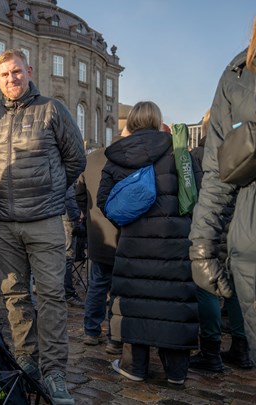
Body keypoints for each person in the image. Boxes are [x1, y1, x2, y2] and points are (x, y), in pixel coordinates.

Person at [0, 49, 86, 405]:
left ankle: (53, 371)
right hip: (4, 224)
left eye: (17, 72)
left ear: (28, 71)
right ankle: (26, 360)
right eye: (4, 74)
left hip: (45, 221)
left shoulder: (52, 110)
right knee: (15, 295)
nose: (12, 79)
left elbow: (76, 158)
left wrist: (51, 193)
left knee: (52, 296)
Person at [97, 101, 201, 385]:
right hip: (175, 243)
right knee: (173, 302)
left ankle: (135, 366)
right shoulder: (179, 152)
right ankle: (177, 371)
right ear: (157, 121)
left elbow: (103, 200)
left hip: (134, 243)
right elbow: (196, 194)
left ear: (130, 122)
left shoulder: (119, 154)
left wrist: (128, 220)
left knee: (136, 301)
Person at [189, 18, 256, 369]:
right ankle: (237, 346)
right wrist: (202, 244)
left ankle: (220, 348)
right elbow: (217, 174)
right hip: (245, 241)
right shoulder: (237, 72)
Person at [75, 133, 122, 354]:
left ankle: (91, 332)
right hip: (121, 232)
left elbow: (79, 193)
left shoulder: (91, 158)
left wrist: (87, 212)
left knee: (96, 284)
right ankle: (115, 338)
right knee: (118, 288)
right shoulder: (124, 157)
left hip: (97, 232)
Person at [63, 186, 84, 307]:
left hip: (60, 215)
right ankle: (68, 293)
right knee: (67, 257)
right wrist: (76, 214)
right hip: (67, 217)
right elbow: (69, 195)